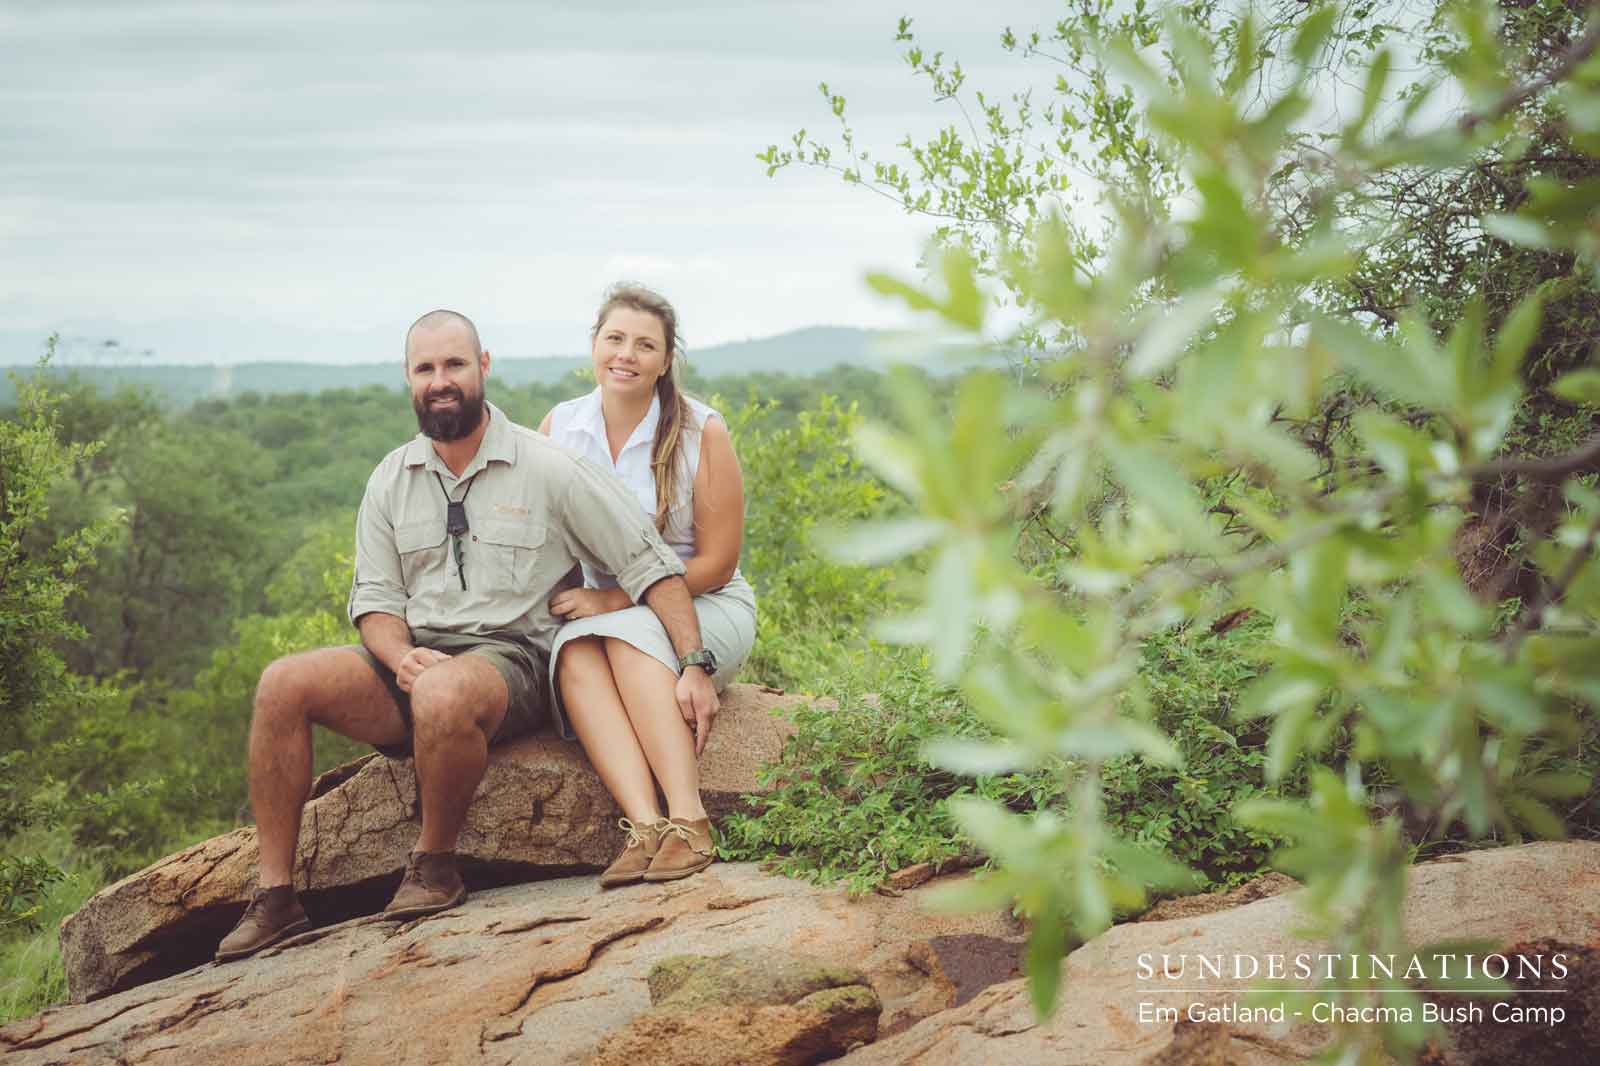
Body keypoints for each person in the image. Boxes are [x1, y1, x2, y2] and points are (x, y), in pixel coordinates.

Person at [215, 308, 720, 962]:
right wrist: (399, 657)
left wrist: (694, 663)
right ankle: (276, 898)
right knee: (283, 683)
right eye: (425, 369)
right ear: (408, 379)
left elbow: (652, 565)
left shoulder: (548, 467)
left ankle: (435, 865)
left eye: (454, 364)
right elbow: (373, 601)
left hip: (512, 666)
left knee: (446, 694)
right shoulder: (392, 478)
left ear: (483, 368)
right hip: (411, 658)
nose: (440, 380)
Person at [540, 283, 757, 887]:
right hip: (605, 616)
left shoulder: (700, 431)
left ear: (666, 360)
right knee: (574, 651)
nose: (626, 354)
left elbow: (716, 561)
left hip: (707, 602)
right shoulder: (561, 427)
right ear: (594, 345)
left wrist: (611, 598)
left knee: (624, 633)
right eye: (615, 339)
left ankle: (691, 821)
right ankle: (645, 826)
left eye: (644, 345)